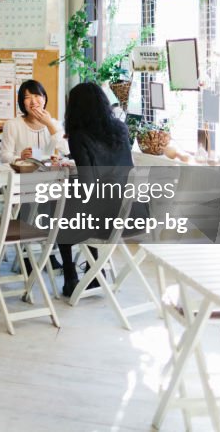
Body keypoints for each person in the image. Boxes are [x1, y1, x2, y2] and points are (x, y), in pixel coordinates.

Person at [59, 82, 136, 297]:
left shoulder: (79, 135)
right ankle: (96, 270)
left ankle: (70, 276)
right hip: (129, 214)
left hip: (102, 218)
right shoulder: (121, 128)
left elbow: (87, 184)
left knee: (61, 214)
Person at [0, 79, 68, 163]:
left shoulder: (55, 124)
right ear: (22, 102)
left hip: (49, 174)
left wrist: (49, 124)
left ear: (44, 99)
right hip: (22, 174)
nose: (33, 101)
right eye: (27, 97)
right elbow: (4, 156)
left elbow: (66, 150)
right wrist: (19, 158)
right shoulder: (12, 124)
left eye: (36, 95)